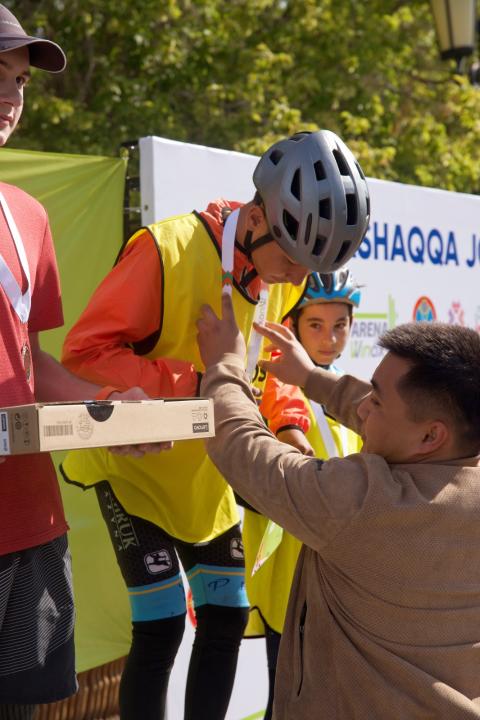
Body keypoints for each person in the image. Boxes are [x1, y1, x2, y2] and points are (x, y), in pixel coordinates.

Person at [60, 130, 370, 719]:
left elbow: (272, 371)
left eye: (308, 268)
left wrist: (292, 431)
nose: (292, 279)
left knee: (227, 615)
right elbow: (84, 354)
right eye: (289, 260)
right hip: (133, 466)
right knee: (161, 625)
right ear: (258, 216)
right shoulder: (164, 248)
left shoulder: (288, 275)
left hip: (206, 472)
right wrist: (194, 378)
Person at [197, 294, 480, 720]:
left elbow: (243, 448)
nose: (365, 408)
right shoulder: (460, 468)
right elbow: (403, 418)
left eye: (377, 402)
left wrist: (224, 367)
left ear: (430, 438)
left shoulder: (362, 502)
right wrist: (311, 378)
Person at [0, 6, 166, 718]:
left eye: (19, 81)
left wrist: (107, 408)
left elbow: (31, 365)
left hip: (30, 524)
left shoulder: (27, 216)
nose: (10, 96)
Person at [242, 269, 363, 719]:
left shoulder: (351, 395)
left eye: (340, 325)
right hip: (289, 582)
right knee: (290, 698)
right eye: (316, 325)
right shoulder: (274, 387)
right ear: (290, 326)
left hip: (342, 582)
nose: (330, 338)